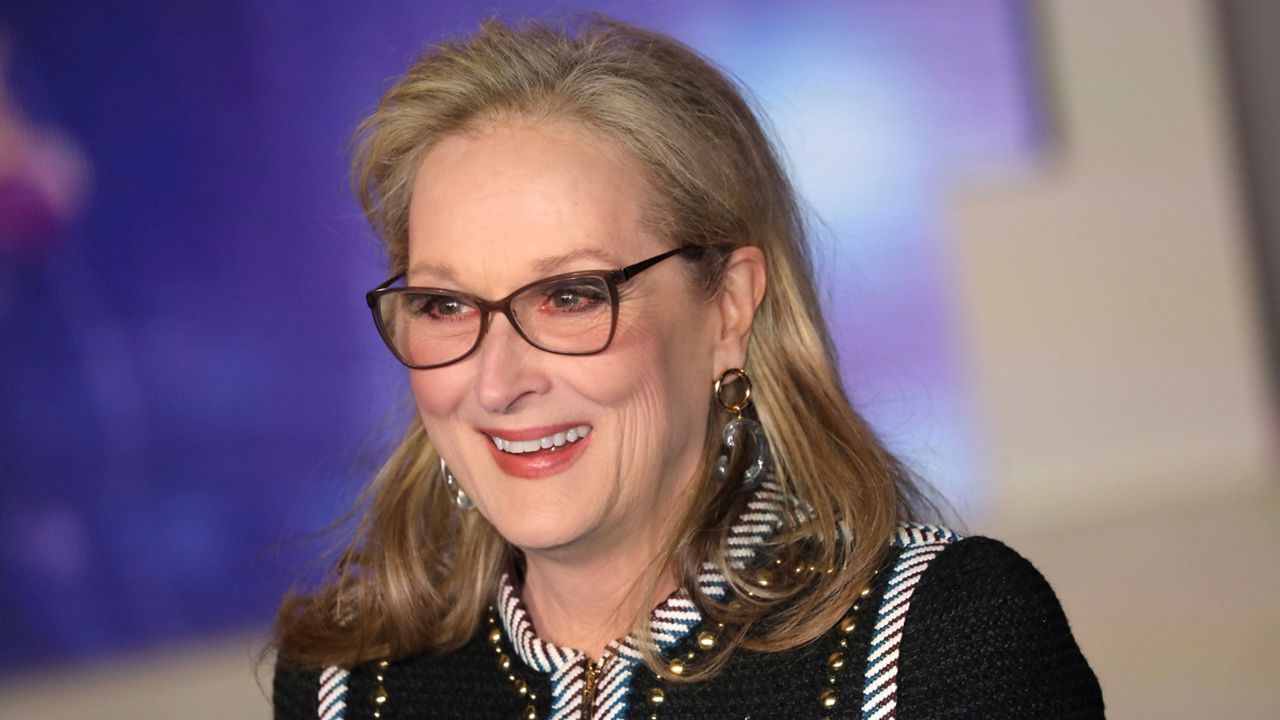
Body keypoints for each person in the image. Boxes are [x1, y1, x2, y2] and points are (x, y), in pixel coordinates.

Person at [272, 16, 1104, 720]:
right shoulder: (346, 685)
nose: (496, 383)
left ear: (729, 310)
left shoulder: (942, 647)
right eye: (445, 306)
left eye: (570, 295)